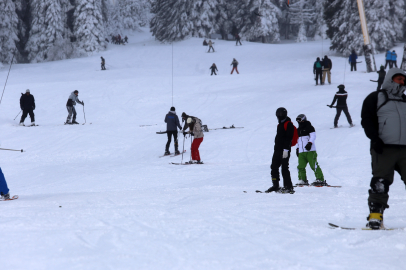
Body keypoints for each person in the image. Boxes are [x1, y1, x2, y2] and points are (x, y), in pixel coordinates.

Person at [360, 68, 406, 230]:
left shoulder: (404, 100)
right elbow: (367, 119)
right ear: (389, 79)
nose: (401, 82)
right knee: (380, 181)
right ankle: (375, 216)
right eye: (398, 79)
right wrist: (374, 139)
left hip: (405, 149)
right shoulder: (376, 97)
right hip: (384, 148)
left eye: (403, 79)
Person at [265, 107, 295, 194]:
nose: (279, 116)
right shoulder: (280, 125)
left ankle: (288, 187)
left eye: (281, 114)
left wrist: (286, 150)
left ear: (285, 114)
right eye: (278, 114)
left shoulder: (288, 124)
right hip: (277, 150)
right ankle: (275, 185)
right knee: (274, 167)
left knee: (284, 168)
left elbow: (289, 138)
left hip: (284, 150)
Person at [295, 114, 326, 186]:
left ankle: (320, 179)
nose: (298, 121)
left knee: (313, 165)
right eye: (297, 120)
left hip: (310, 151)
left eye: (299, 119)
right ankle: (302, 180)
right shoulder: (298, 129)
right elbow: (298, 140)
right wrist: (297, 148)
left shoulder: (309, 127)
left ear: (303, 119)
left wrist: (310, 143)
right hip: (301, 151)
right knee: (300, 166)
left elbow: (313, 136)